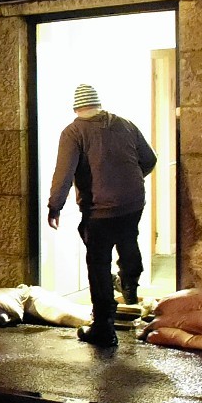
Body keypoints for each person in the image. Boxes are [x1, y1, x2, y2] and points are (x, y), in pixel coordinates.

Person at [47, 84, 157, 347]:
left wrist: (55, 206)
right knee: (129, 240)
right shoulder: (125, 125)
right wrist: (130, 181)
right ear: (99, 105)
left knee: (98, 264)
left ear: (76, 108)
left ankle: (104, 326)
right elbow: (150, 159)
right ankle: (130, 285)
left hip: (99, 210)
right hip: (132, 203)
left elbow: (64, 173)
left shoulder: (74, 132)